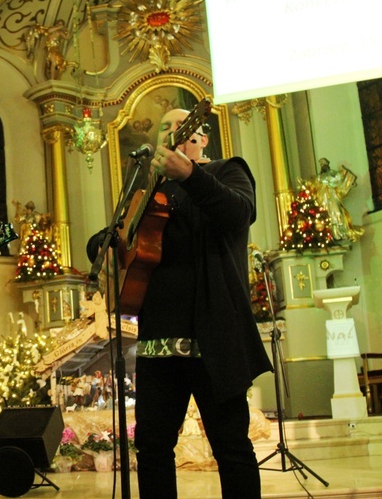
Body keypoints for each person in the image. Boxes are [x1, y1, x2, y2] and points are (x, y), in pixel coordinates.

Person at [89, 108, 273, 498]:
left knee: (232, 447)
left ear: (201, 137)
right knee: (152, 449)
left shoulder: (227, 170)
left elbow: (239, 214)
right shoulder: (146, 189)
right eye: (165, 127)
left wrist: (190, 174)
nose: (175, 132)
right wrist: (102, 249)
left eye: (182, 127)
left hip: (215, 334)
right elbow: (110, 234)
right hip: (158, 341)